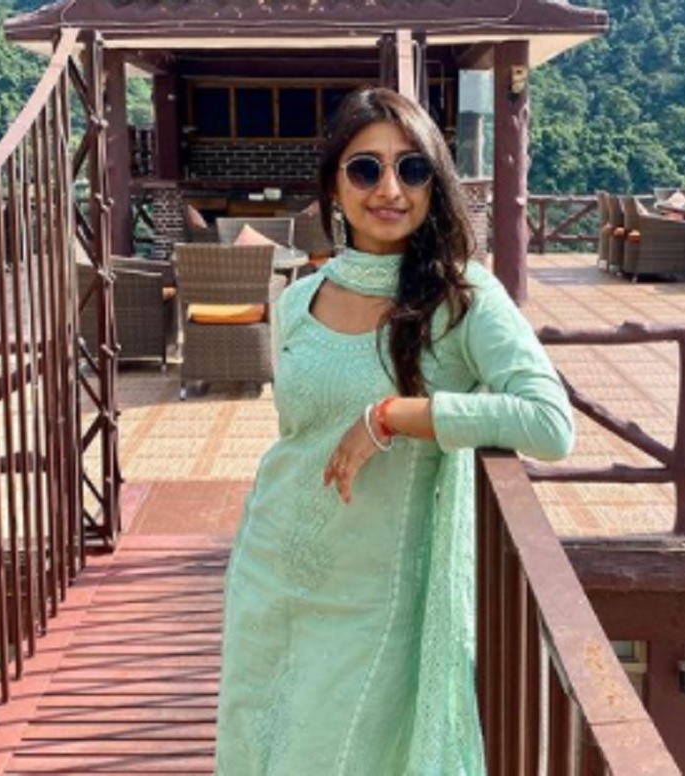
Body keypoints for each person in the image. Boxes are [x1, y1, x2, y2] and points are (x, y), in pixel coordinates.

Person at [214, 87, 575, 775]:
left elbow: (550, 423)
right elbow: (298, 437)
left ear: (435, 185)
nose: (389, 189)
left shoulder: (462, 297)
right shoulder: (299, 298)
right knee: (259, 750)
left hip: (373, 599)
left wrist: (397, 415)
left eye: (412, 169)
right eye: (365, 169)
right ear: (334, 185)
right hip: (270, 570)